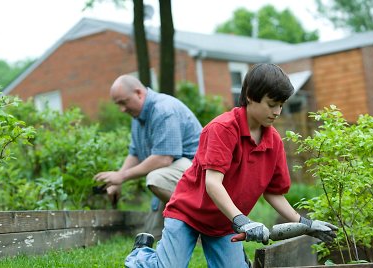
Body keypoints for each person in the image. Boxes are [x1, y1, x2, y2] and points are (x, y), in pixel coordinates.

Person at [124, 63, 338, 268]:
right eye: (271, 104)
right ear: (249, 97)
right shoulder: (222, 128)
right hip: (188, 214)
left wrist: (306, 224)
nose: (278, 112)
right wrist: (243, 221)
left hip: (224, 223)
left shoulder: (273, 142)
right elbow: (213, 183)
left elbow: (273, 193)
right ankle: (141, 255)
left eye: (281, 105)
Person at [94, 74, 203, 239]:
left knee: (156, 178)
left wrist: (122, 176)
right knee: (151, 234)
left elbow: (164, 158)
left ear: (139, 93)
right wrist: (116, 181)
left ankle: (202, 224)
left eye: (123, 102)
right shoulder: (137, 117)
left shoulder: (163, 109)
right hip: (175, 174)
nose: (122, 109)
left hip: (200, 174)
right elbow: (135, 153)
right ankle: (181, 232)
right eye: (118, 105)